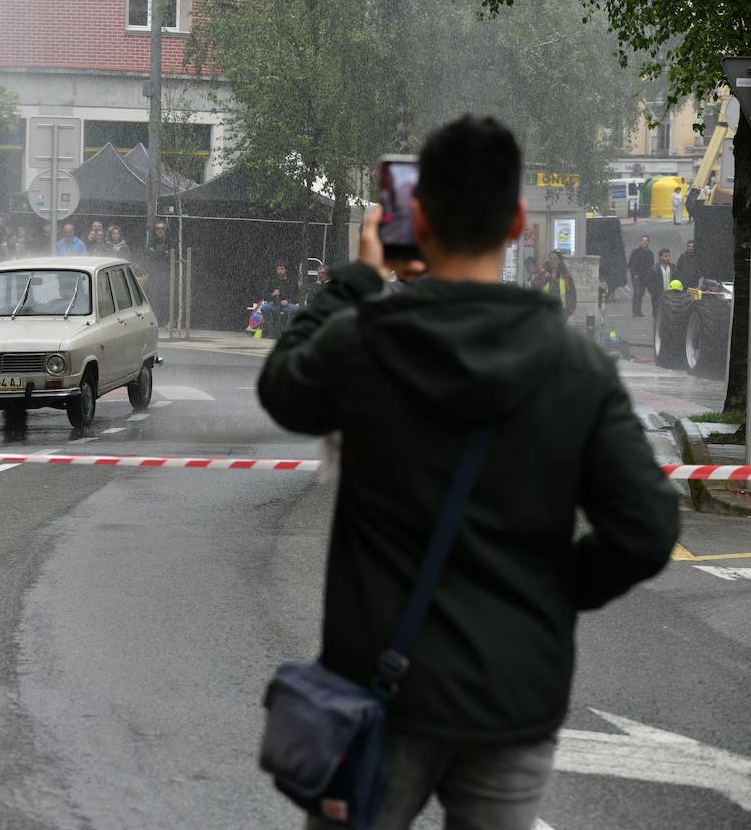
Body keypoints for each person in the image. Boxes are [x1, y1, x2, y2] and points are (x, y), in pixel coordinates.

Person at [257, 115, 678, 830]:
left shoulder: (367, 340)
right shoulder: (575, 365)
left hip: (379, 691)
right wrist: (553, 590)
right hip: (511, 696)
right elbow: (646, 527)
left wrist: (358, 278)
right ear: (517, 222)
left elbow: (283, 386)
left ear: (415, 219)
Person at [540, 249, 577, 318]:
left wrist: (571, 308)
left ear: (559, 260)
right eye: (550, 258)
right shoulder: (543, 274)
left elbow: (572, 292)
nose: (552, 261)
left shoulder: (565, 276)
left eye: (555, 258)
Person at [627, 235, 655, 317]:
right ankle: (635, 311)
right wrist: (634, 274)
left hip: (645, 278)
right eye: (643, 240)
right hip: (636, 277)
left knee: (641, 294)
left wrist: (650, 277)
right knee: (637, 293)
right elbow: (630, 265)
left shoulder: (650, 254)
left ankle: (638, 311)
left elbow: (651, 266)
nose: (644, 242)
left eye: (646, 240)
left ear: (648, 242)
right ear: (641, 241)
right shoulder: (635, 252)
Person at [648, 247, 675, 316]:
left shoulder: (673, 268)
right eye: (665, 256)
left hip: (671, 296)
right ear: (660, 257)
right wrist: (654, 292)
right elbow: (649, 283)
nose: (668, 258)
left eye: (669, 256)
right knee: (656, 315)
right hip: (658, 296)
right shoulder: (654, 269)